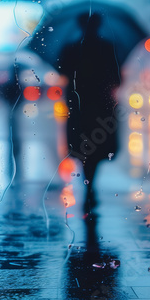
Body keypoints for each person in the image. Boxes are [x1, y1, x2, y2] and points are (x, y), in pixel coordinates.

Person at [57, 13, 122, 215]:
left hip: (79, 105)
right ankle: (91, 186)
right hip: (101, 106)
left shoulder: (71, 48)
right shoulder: (108, 47)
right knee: (98, 146)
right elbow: (118, 79)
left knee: (84, 146)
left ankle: (89, 186)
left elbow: (63, 73)